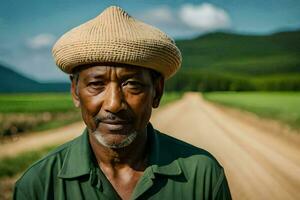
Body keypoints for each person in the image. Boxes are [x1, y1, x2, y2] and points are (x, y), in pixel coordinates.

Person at [13, 6, 231, 200]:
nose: (114, 104)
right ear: (75, 92)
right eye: (97, 84)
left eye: (132, 84)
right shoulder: (38, 185)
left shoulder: (203, 176)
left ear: (157, 92)